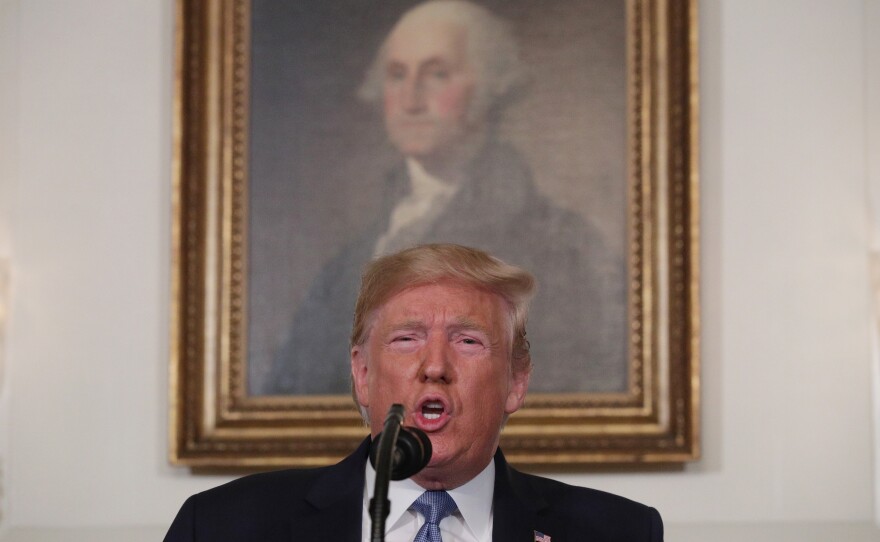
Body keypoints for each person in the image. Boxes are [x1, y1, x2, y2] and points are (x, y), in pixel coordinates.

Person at [165, 244, 663, 541]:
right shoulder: (221, 527)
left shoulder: (617, 532)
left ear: (516, 381)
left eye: (468, 341)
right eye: (407, 339)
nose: (435, 367)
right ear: (362, 374)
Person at [267, 0, 626, 396]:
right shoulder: (351, 258)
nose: (411, 98)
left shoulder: (562, 245)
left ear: (490, 86)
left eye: (437, 74)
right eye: (397, 75)